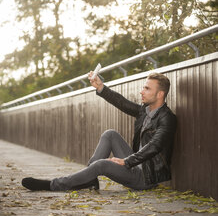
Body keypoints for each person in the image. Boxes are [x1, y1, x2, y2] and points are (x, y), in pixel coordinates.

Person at [22, 72, 176, 192]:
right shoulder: (145, 111)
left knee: (101, 165)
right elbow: (122, 103)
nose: (142, 91)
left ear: (160, 94)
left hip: (145, 178)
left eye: (147, 88)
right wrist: (100, 87)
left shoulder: (167, 119)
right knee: (110, 134)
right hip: (136, 165)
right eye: (144, 87)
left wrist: (126, 161)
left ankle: (54, 185)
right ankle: (89, 179)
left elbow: (154, 146)